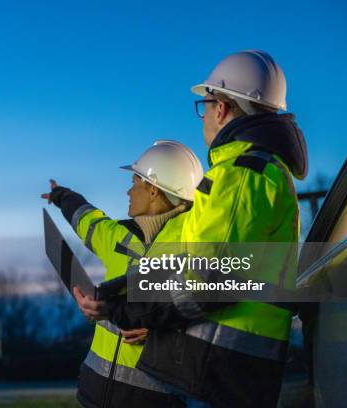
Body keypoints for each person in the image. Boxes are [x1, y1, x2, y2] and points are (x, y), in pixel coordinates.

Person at [74, 50, 308, 408]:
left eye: (205, 105)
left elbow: (203, 281)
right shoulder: (258, 173)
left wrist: (119, 309)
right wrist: (116, 293)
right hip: (219, 370)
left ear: (222, 108)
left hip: (219, 376)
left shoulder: (242, 175)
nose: (204, 118)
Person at [41, 140, 203, 408]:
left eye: (134, 183)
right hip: (94, 392)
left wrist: (161, 334)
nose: (128, 191)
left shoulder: (196, 247)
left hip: (154, 400)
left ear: (153, 190)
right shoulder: (118, 235)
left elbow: (214, 318)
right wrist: (62, 195)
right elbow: (86, 219)